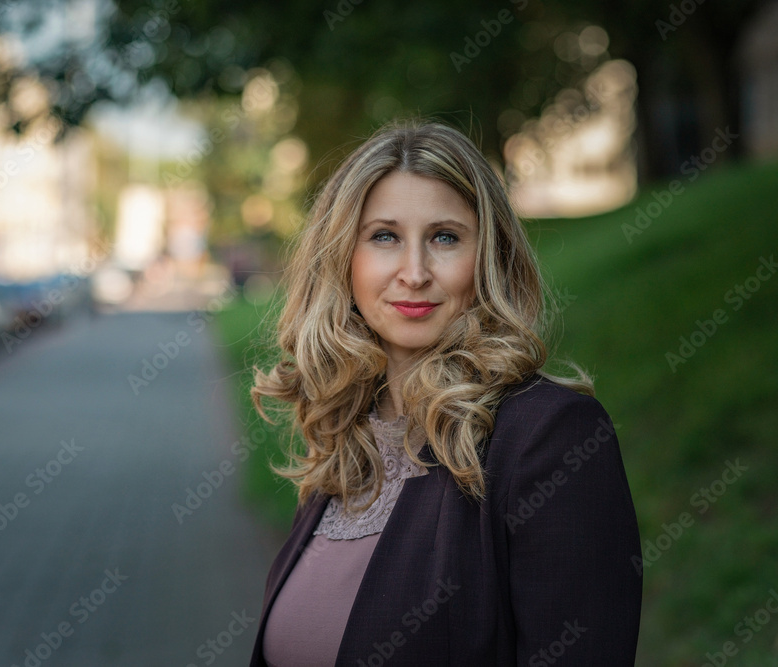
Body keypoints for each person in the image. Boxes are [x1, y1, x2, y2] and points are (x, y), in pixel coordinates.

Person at [246, 118, 642, 665]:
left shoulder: (550, 436)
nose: (414, 272)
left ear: (489, 257)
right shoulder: (343, 443)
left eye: (445, 238)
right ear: (341, 258)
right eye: (384, 236)